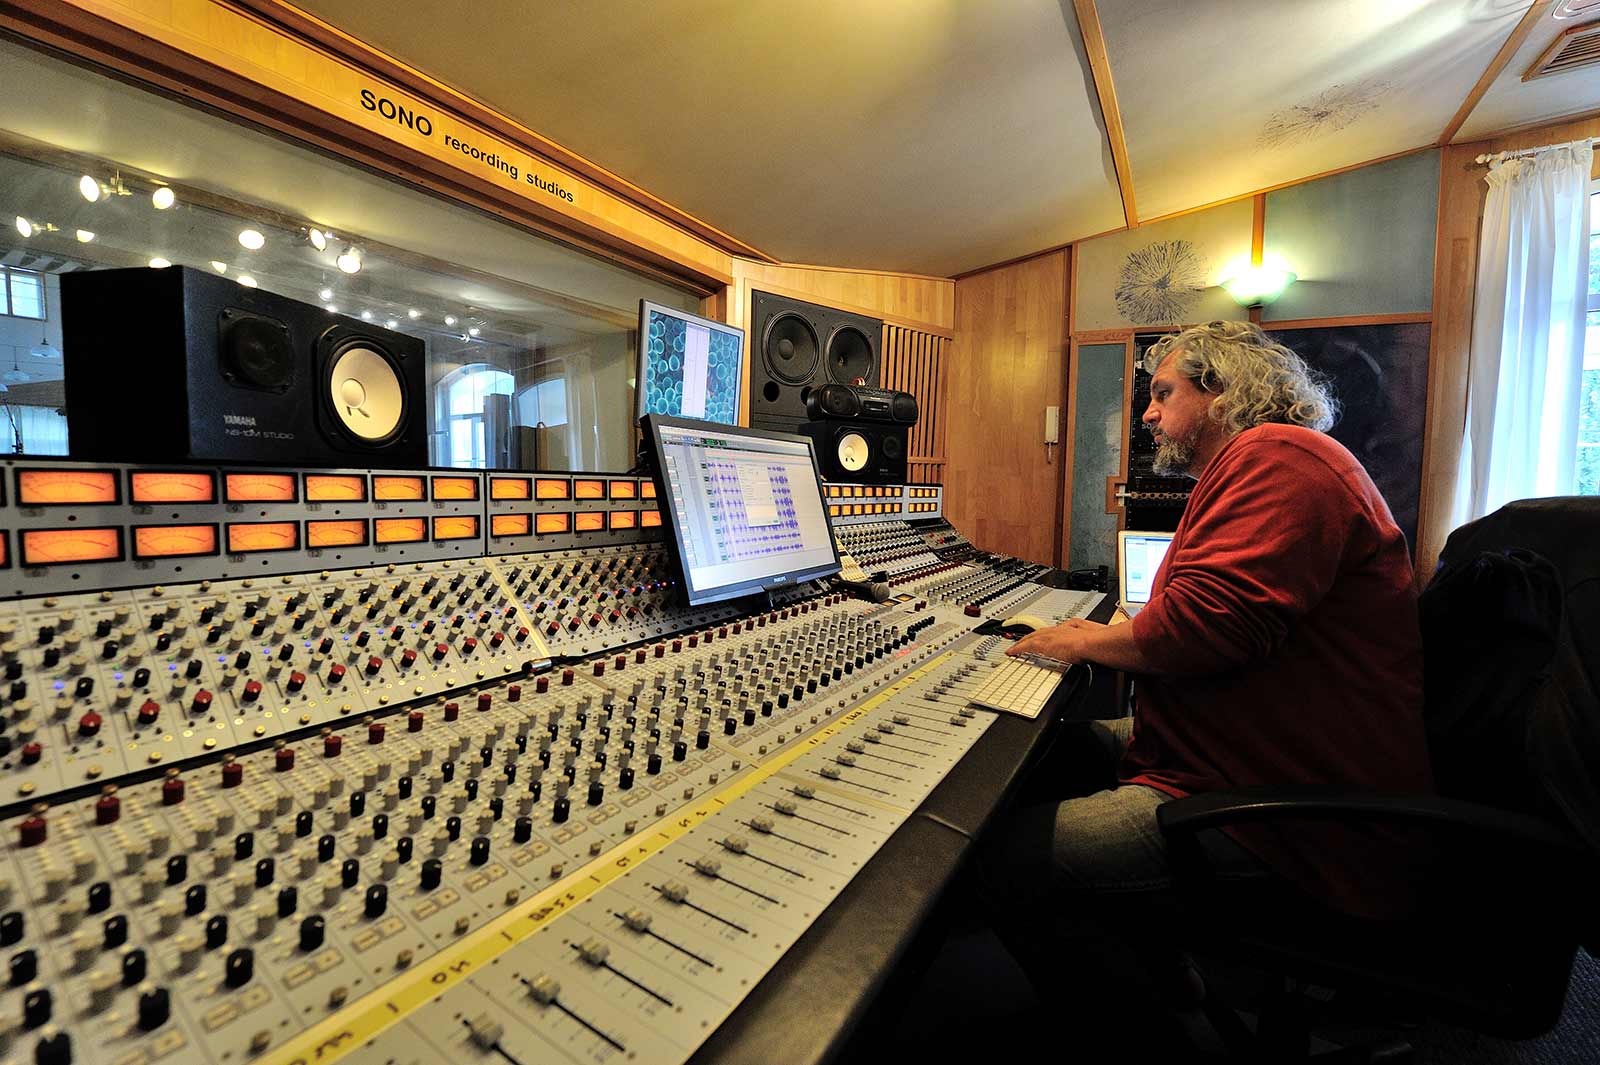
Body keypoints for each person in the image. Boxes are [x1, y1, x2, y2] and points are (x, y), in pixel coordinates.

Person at [983, 321, 1432, 1016]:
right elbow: (1202, 616)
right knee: (1040, 755)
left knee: (986, 859)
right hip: (1233, 764)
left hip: (1287, 817)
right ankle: (1163, 967)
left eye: (1163, 393)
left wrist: (1084, 643)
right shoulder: (1264, 462)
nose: (1148, 414)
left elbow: (1208, 628)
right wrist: (1107, 635)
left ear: (1221, 389)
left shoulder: (1281, 458)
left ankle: (1145, 1022)